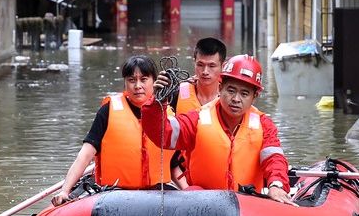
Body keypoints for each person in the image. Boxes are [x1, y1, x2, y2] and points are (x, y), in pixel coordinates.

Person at [142, 54, 296, 206]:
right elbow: (163, 134)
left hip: (248, 206)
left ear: (254, 96)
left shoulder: (264, 125)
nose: (236, 99)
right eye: (231, 90)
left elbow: (274, 158)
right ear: (220, 88)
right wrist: (157, 102)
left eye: (244, 94)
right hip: (203, 204)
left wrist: (276, 185)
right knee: (192, 193)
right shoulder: (197, 119)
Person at [51, 56, 180, 206]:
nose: (138, 86)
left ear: (154, 81)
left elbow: (174, 164)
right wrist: (65, 191)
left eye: (144, 80)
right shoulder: (107, 111)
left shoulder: (167, 114)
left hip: (157, 194)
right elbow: (85, 155)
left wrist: (190, 193)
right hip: (114, 195)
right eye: (132, 80)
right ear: (125, 82)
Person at [169, 37, 228, 114]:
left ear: (223, 66)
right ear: (194, 63)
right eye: (200, 65)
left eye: (211, 66)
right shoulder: (177, 93)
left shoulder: (229, 98)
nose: (205, 72)